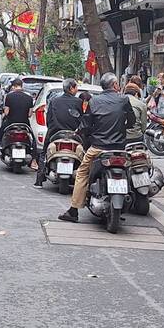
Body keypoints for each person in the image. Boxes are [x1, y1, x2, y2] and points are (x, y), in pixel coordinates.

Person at [58, 74, 134, 221]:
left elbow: (86, 125)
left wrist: (83, 133)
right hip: (119, 149)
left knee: (82, 173)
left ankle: (74, 210)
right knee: (129, 170)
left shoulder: (94, 101)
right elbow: (131, 121)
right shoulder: (124, 100)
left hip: (98, 148)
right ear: (115, 85)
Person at [35, 78, 86, 188]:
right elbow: (82, 119)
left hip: (55, 132)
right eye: (76, 87)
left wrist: (52, 129)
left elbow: (49, 120)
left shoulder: (54, 101)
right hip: (74, 134)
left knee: (44, 153)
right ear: (71, 88)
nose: (77, 89)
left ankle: (39, 180)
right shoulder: (78, 102)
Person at [0, 77, 35, 169]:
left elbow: (7, 112)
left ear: (14, 87)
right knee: (33, 140)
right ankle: (34, 162)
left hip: (10, 123)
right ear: (21, 86)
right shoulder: (29, 98)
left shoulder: (9, 96)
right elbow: (29, 114)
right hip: (24, 124)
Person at [124, 76, 148, 143]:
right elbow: (144, 126)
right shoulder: (141, 105)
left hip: (121, 137)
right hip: (136, 137)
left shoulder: (118, 102)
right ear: (136, 93)